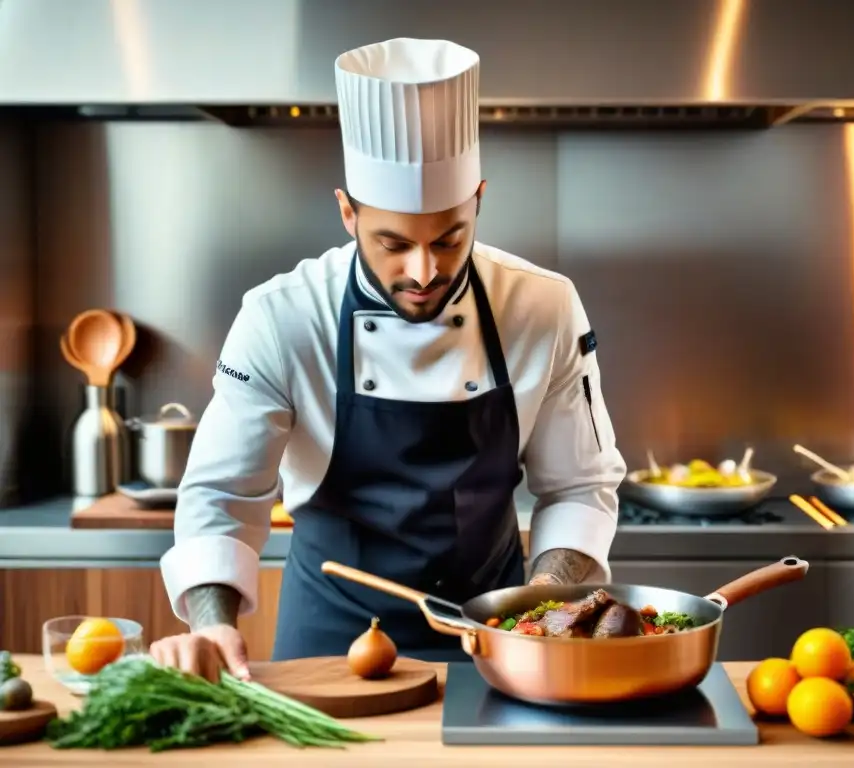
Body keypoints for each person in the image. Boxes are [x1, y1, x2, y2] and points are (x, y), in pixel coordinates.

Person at [151, 37, 626, 680]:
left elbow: (579, 486)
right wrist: (211, 627)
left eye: (450, 237)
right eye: (393, 243)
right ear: (348, 212)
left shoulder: (544, 307)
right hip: (327, 640)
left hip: (495, 638)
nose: (424, 271)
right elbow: (223, 498)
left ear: (479, 200)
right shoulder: (284, 317)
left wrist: (543, 611)